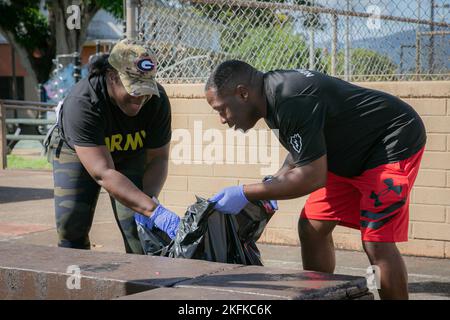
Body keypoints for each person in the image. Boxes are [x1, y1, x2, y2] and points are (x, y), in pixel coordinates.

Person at [206, 60, 426, 299]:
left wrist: (246, 192)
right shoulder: (269, 98)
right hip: (349, 153)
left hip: (391, 141)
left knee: (376, 241)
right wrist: (273, 182)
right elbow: (300, 152)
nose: (223, 119)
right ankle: (321, 296)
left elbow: (312, 176)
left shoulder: (289, 97)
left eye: (221, 109)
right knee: (312, 227)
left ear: (242, 93)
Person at [46, 39, 180, 254]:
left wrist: (148, 203)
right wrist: (153, 210)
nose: (141, 97)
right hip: (81, 152)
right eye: (133, 88)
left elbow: (158, 158)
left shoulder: (157, 101)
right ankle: (75, 279)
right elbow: (103, 173)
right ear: (111, 77)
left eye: (146, 89)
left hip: (130, 153)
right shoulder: (84, 102)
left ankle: (146, 282)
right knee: (71, 223)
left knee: (137, 226)